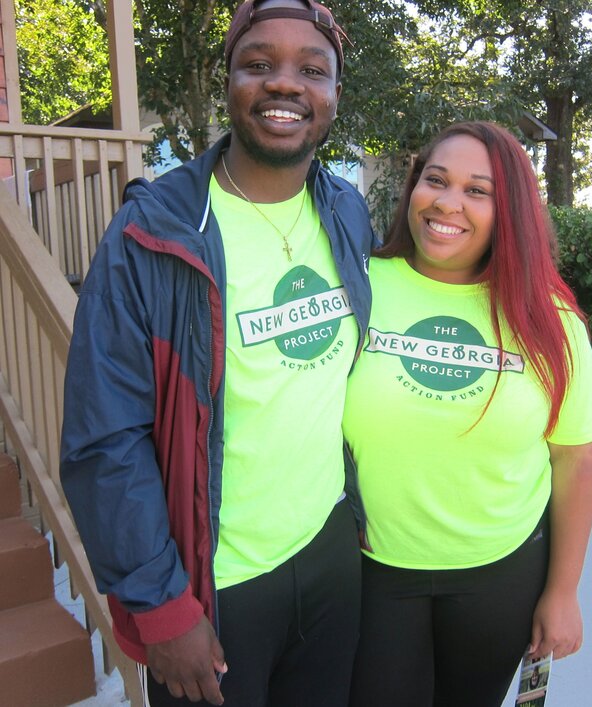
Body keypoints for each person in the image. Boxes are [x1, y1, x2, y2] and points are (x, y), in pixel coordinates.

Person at [60, 2, 374, 706]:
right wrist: (161, 605)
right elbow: (104, 437)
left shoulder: (345, 212)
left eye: (311, 70)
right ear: (227, 81)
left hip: (329, 558)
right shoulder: (151, 234)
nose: (284, 84)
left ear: (332, 96)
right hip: (213, 585)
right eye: (258, 64)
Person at [342, 121, 592, 707]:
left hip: (501, 573)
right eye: (435, 180)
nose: (447, 202)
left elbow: (576, 459)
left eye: (477, 191)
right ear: (412, 186)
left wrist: (563, 593)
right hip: (372, 569)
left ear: (508, 210)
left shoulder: (549, 318)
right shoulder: (357, 286)